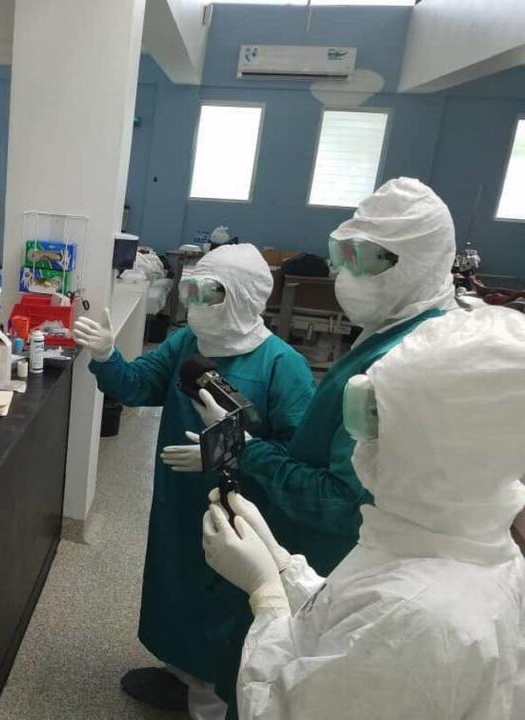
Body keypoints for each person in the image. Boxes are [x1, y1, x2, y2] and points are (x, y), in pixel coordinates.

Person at [201, 307, 525, 719]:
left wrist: (267, 598)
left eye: (374, 413)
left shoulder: (416, 622)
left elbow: (280, 709)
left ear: (439, 445)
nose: (357, 437)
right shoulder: (458, 545)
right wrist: (285, 569)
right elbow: (349, 620)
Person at [73, 244, 315, 719]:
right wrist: (105, 355)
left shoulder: (281, 367)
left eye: (209, 293)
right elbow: (139, 384)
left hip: (240, 512)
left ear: (243, 297)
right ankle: (180, 675)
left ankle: (216, 698)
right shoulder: (186, 343)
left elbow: (294, 459)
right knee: (175, 581)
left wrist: (220, 452)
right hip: (178, 499)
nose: (194, 303)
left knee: (222, 602)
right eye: (190, 290)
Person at [236, 177, 457, 575]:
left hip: (335, 561)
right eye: (344, 254)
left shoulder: (401, 363)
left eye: (365, 258)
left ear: (416, 264)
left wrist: (248, 450)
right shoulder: (394, 330)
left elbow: (342, 503)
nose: (346, 273)